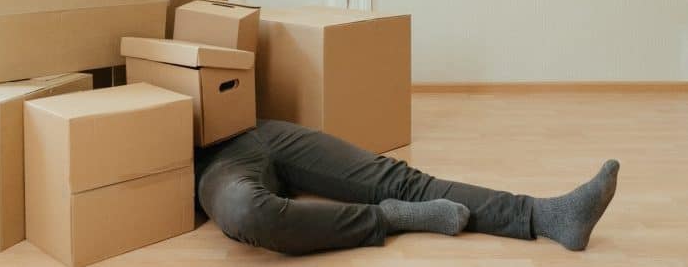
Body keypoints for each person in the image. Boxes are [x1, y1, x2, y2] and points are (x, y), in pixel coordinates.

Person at [197, 120, 619, 255]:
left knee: (399, 179)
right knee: (251, 212)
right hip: (207, 165)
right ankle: (391, 217)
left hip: (250, 126)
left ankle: (546, 215)